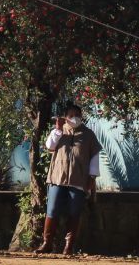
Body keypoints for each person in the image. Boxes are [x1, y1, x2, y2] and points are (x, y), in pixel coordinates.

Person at [37, 104, 101, 255]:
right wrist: (58, 129)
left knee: (74, 212)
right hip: (57, 177)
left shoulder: (89, 135)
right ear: (65, 116)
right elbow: (50, 146)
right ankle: (47, 243)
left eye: (77, 115)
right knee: (52, 210)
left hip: (79, 179)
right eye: (71, 115)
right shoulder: (59, 131)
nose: (74, 118)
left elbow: (94, 157)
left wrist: (92, 178)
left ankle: (69, 247)